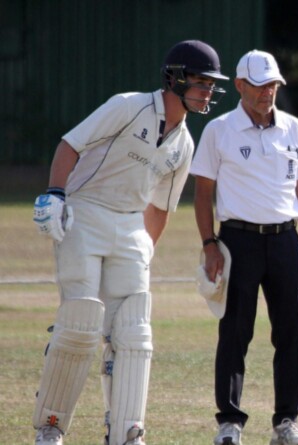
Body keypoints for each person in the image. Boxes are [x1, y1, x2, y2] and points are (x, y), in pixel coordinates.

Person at [31, 40, 228, 444]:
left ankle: (126, 431)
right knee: (80, 325)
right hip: (86, 213)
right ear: (175, 79)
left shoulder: (184, 144)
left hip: (131, 227)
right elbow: (71, 143)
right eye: (200, 82)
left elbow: (161, 207)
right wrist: (55, 194)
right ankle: (50, 427)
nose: (207, 92)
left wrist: (145, 252)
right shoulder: (128, 106)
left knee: (134, 333)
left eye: (211, 85)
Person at [191, 49, 298, 445]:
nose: (268, 92)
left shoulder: (294, 128)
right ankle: (229, 421)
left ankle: (287, 421)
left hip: (285, 240)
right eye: (261, 86)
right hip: (238, 240)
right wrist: (209, 244)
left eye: (273, 85)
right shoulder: (219, 130)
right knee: (234, 332)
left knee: (291, 334)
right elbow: (203, 193)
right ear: (240, 85)